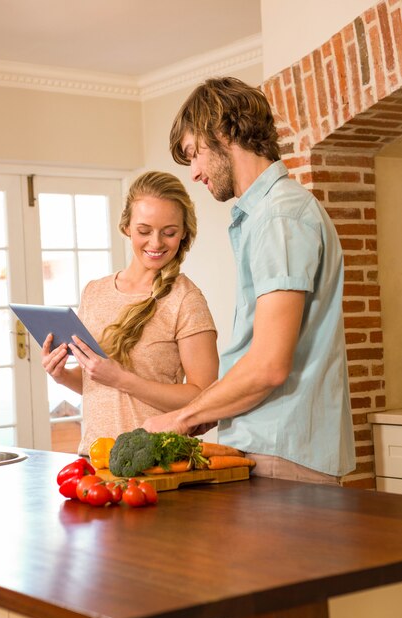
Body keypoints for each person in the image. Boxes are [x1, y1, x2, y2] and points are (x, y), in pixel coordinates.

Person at [143, 77, 356, 485]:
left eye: (194, 154)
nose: (195, 174)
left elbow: (270, 365)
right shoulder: (269, 216)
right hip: (272, 446)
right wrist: (210, 408)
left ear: (222, 132)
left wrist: (184, 417)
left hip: (281, 451)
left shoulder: (279, 218)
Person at [41, 171, 219, 455]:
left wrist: (123, 379)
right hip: (93, 458)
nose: (156, 243)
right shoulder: (95, 292)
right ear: (126, 227)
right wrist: (62, 376)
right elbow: (98, 387)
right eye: (144, 231)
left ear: (184, 232)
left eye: (169, 232)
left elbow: (205, 398)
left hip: (155, 461)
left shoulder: (186, 299)